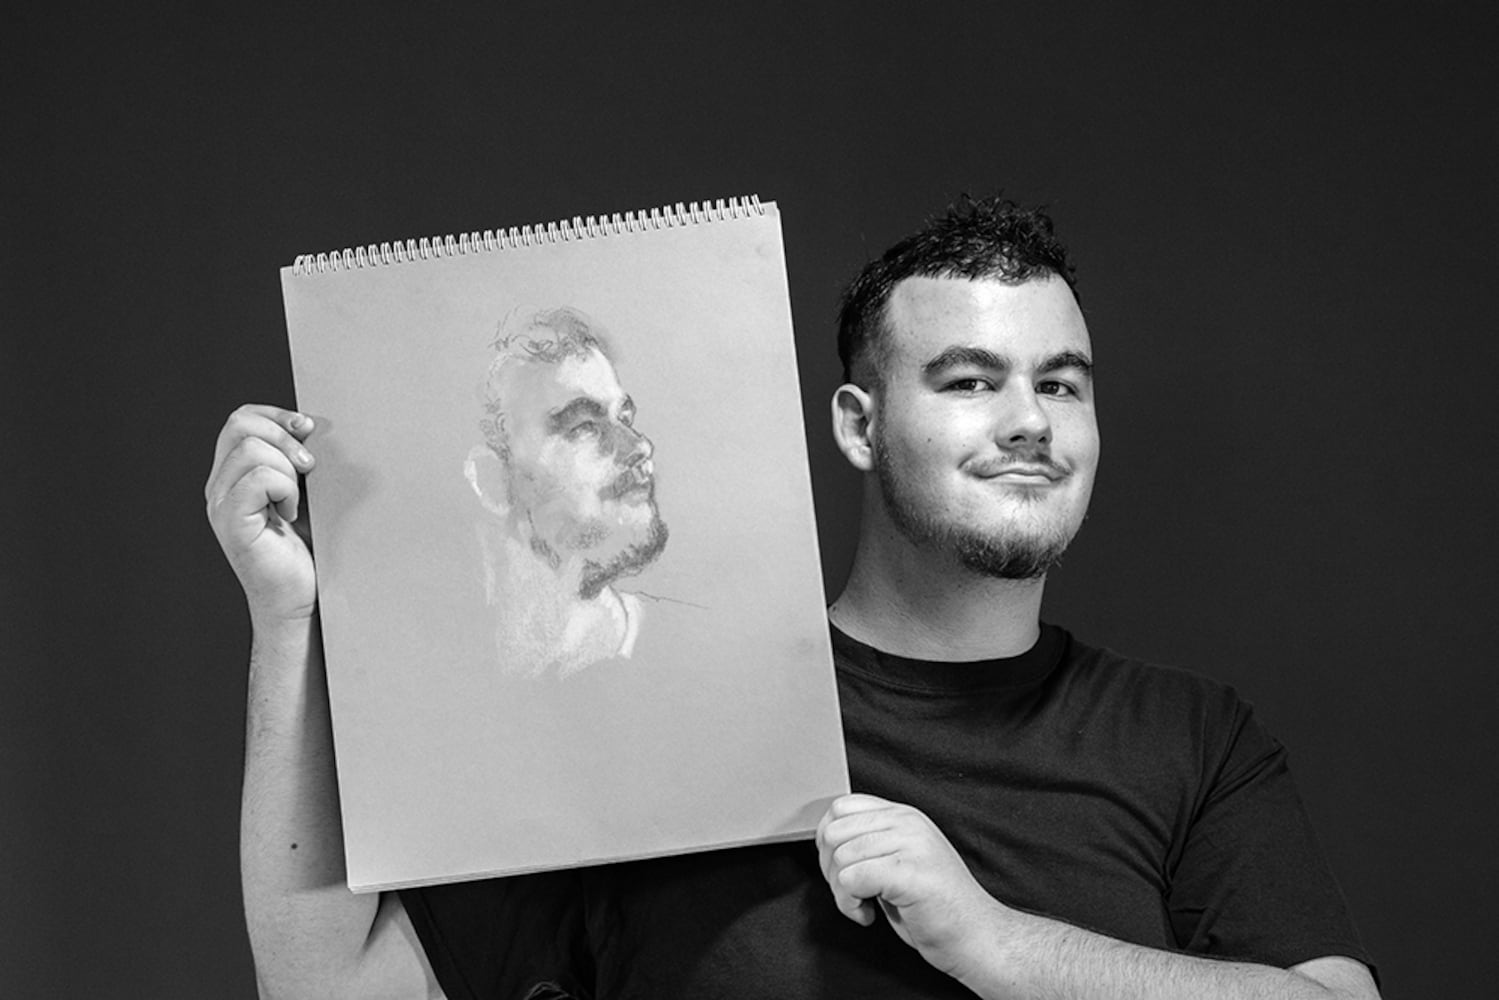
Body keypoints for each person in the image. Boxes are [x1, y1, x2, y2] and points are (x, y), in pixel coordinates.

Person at [206, 197, 1380, 999]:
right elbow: (333, 988)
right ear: (858, 426)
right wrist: (289, 621)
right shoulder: (658, 717)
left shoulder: (1189, 738)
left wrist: (1000, 946)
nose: (1028, 420)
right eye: (969, 381)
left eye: (1060, 384)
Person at [463, 305, 668, 679]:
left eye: (624, 418)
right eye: (585, 426)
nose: (639, 446)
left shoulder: (668, 645)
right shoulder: (441, 652)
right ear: (494, 480)